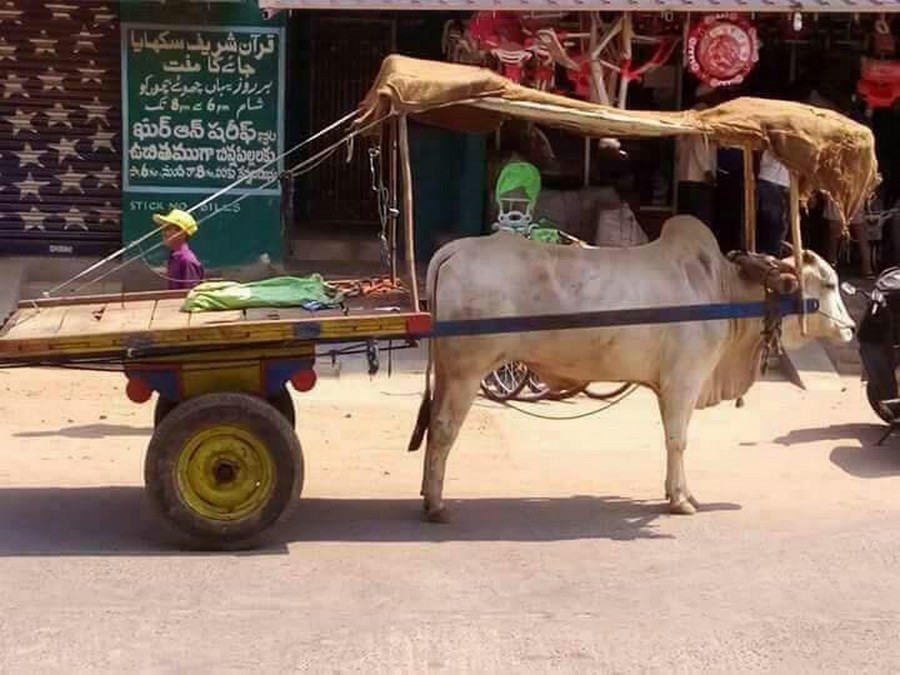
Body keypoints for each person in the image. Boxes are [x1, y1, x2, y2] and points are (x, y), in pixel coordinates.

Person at [675, 100, 717, 228]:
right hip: (698, 179)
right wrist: (707, 171)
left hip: (684, 179)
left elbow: (677, 155)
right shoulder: (698, 130)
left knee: (686, 219)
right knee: (700, 221)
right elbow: (700, 150)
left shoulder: (683, 131)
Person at [153, 208, 204, 290]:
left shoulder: (187, 260)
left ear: (182, 233)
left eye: (167, 229)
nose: (163, 233)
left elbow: (188, 295)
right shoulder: (174, 257)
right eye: (163, 229)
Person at [755, 149, 790, 256]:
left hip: (773, 179)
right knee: (775, 222)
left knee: (770, 220)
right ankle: (770, 255)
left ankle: (765, 252)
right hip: (773, 179)